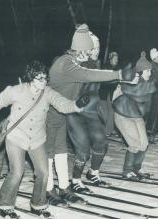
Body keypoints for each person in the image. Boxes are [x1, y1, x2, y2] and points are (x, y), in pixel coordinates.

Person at [0, 60, 89, 218]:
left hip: (37, 139)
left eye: (45, 78)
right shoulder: (16, 91)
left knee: (44, 172)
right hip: (16, 137)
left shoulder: (47, 92)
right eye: (40, 78)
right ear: (31, 77)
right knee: (17, 172)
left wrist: (76, 105)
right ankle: (3, 205)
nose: (44, 82)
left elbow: (61, 103)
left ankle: (38, 205)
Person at [45, 24, 134, 205]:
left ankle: (64, 187)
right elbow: (87, 75)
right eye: (88, 49)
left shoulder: (74, 61)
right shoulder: (65, 63)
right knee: (49, 153)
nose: (90, 53)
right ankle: (47, 189)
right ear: (79, 49)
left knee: (61, 153)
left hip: (65, 112)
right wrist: (118, 73)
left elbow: (86, 76)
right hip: (49, 113)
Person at [112, 51, 156, 180]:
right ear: (140, 72)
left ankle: (137, 169)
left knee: (144, 144)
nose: (149, 73)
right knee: (135, 144)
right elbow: (136, 91)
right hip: (123, 115)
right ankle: (127, 171)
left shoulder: (146, 83)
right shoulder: (132, 81)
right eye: (147, 71)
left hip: (136, 116)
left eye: (150, 70)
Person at [98, 51, 120, 136]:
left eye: (117, 59)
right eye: (114, 58)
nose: (116, 60)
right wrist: (114, 81)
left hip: (112, 93)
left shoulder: (118, 68)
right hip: (104, 92)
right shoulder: (105, 67)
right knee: (104, 112)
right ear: (110, 59)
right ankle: (109, 128)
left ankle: (108, 130)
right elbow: (103, 80)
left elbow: (118, 79)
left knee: (112, 110)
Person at [146, 48, 158, 142]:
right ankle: (149, 132)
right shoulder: (152, 66)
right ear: (154, 58)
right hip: (154, 92)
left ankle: (153, 130)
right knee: (153, 112)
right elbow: (152, 79)